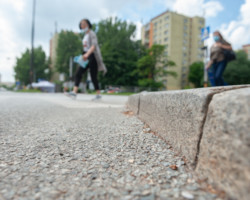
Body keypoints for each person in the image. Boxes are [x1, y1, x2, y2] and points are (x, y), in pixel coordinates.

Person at [67, 19, 107, 100]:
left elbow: (93, 46)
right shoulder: (85, 35)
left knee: (93, 76)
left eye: (84, 24)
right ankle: (74, 92)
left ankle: (98, 94)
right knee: (78, 73)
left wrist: (87, 54)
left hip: (92, 56)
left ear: (88, 24)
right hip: (85, 56)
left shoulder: (92, 34)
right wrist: (83, 56)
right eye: (81, 24)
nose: (82, 26)